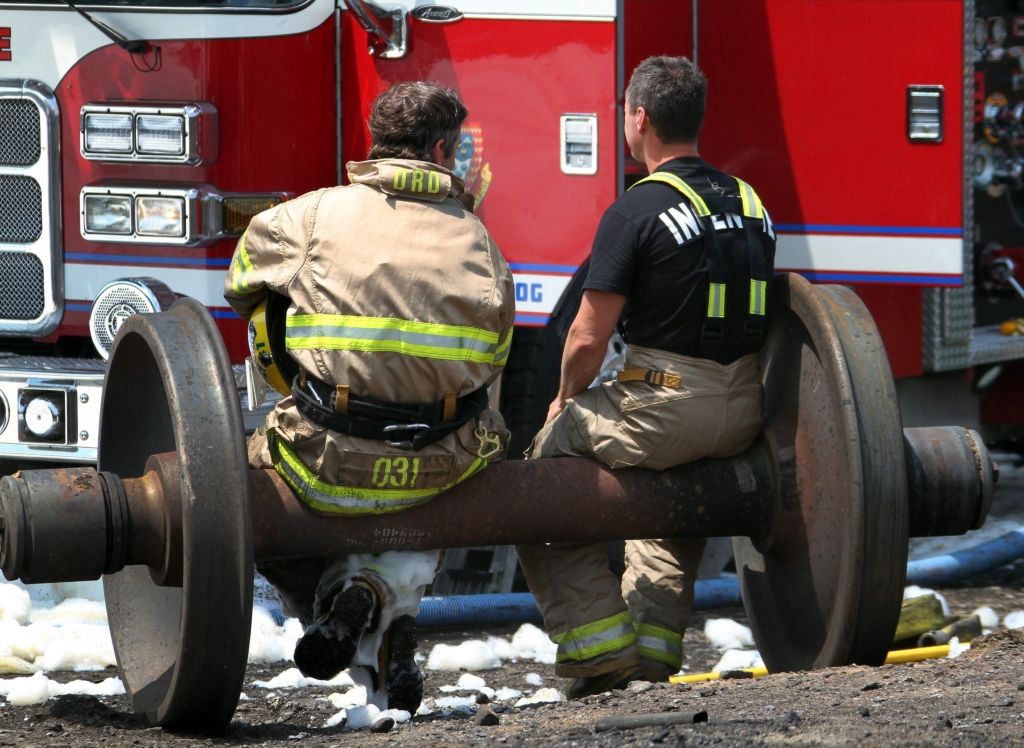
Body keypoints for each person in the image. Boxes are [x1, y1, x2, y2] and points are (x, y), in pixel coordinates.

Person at [224, 80, 514, 713]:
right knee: (425, 490)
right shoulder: (482, 246)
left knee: (246, 497)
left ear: (376, 144)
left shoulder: (308, 217)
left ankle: (339, 596)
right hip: (441, 465)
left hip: (324, 457)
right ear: (442, 150)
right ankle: (385, 609)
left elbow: (241, 284)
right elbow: (493, 362)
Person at [516, 56, 776, 698]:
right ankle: (654, 655)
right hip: (743, 412)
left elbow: (586, 335)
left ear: (640, 118)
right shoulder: (750, 202)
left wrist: (563, 401)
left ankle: (597, 649)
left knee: (535, 488)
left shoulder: (638, 210)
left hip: (661, 408)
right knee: (670, 504)